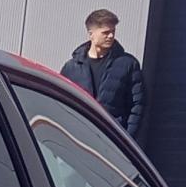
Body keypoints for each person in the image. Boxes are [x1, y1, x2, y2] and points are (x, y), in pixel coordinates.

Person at [63, 9, 146, 140]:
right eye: (105, 33)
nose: (111, 36)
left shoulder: (128, 64)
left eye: (113, 31)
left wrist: (126, 138)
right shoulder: (72, 68)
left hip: (112, 138)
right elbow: (63, 104)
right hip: (78, 138)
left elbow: (137, 105)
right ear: (91, 34)